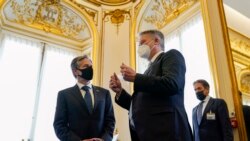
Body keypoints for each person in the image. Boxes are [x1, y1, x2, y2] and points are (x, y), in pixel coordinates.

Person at [109, 29, 193, 141]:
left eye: (142, 42)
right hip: (147, 133)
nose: (139, 47)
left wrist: (136, 77)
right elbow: (139, 105)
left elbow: (172, 83)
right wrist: (120, 91)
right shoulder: (148, 70)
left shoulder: (171, 55)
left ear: (157, 41)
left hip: (167, 131)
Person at [53, 55, 115, 141]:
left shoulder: (104, 93)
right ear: (75, 71)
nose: (90, 69)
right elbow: (59, 125)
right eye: (85, 66)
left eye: (91, 66)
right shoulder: (64, 95)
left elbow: (110, 121)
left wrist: (104, 139)